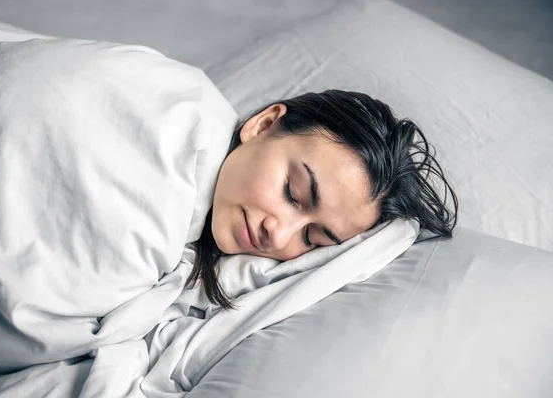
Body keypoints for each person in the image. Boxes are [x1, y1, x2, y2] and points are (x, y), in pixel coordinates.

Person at [188, 90, 458, 309]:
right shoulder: (178, 135)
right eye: (292, 193)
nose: (278, 236)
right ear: (264, 125)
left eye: (311, 238)